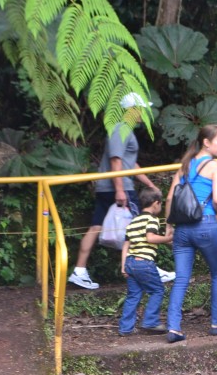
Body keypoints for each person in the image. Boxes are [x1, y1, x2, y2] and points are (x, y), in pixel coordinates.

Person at [70, 92, 163, 290]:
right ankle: (149, 268)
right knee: (142, 224)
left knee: (96, 226)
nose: (144, 112)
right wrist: (120, 190)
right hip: (117, 188)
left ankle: (79, 271)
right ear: (131, 110)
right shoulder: (120, 129)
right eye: (141, 108)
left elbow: (131, 163)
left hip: (109, 186)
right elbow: (116, 161)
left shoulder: (123, 130)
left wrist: (150, 184)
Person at [165, 124, 217, 343]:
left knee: (181, 278)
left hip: (182, 228)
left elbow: (169, 198)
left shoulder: (185, 165)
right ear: (207, 142)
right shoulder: (215, 166)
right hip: (205, 224)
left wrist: (168, 225)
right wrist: (215, 213)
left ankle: (173, 328)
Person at [118, 187, 173, 335]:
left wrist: (123, 266)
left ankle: (125, 328)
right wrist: (167, 239)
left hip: (130, 262)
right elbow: (150, 238)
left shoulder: (133, 221)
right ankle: (150, 321)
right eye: (160, 205)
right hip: (144, 263)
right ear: (156, 203)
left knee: (133, 295)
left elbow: (126, 246)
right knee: (157, 290)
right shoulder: (152, 219)